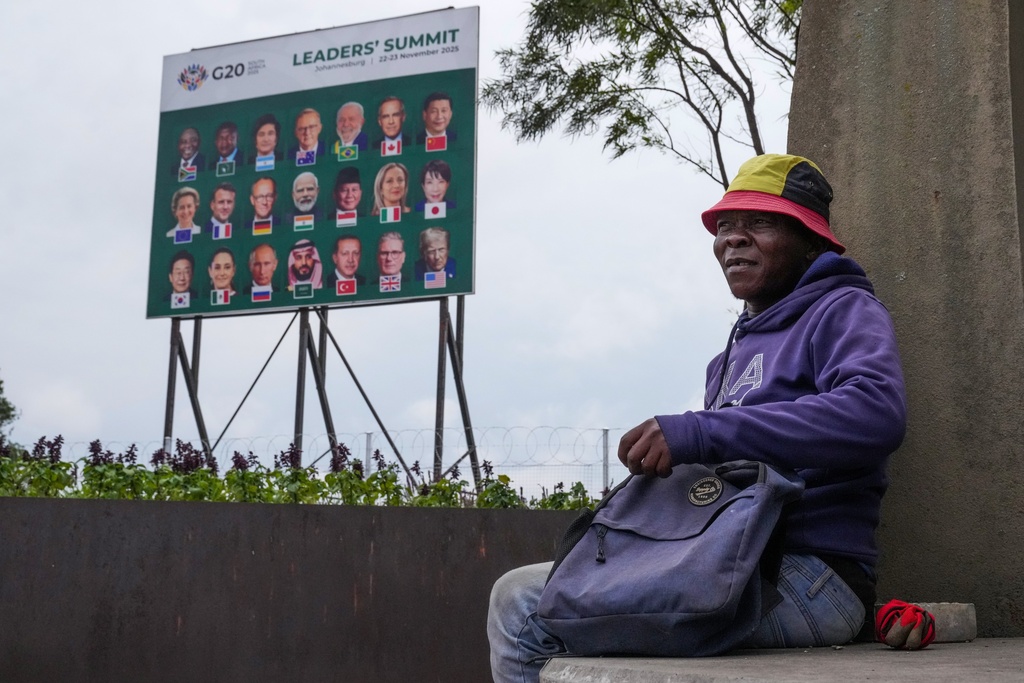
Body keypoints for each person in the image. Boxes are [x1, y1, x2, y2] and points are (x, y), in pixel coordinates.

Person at [486, 154, 908, 682]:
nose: (733, 238)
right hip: (729, 558)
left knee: (526, 608)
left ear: (811, 241)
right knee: (533, 589)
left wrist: (700, 431)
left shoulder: (843, 309)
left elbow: (876, 412)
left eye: (760, 223)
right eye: (725, 226)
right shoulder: (728, 358)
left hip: (807, 576)